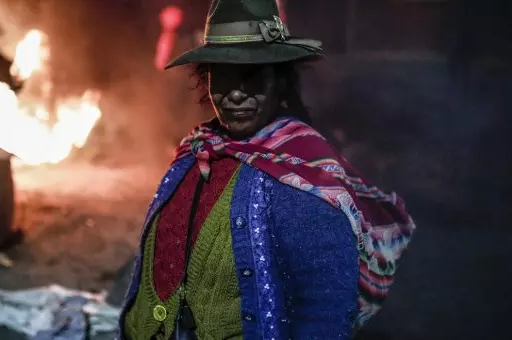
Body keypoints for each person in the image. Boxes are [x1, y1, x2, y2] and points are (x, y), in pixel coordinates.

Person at [119, 0, 416, 339]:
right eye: (223, 77)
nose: (236, 94)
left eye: (253, 78)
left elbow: (323, 317)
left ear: (280, 81)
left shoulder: (305, 180)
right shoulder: (195, 152)